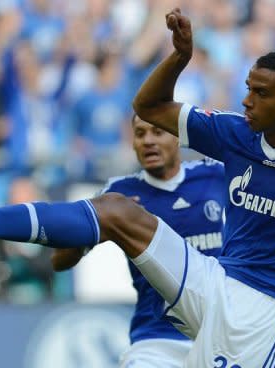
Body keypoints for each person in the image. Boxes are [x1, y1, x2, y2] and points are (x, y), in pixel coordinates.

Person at [0, 8, 275, 367]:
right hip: (217, 280)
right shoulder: (236, 133)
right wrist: (179, 58)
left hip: (267, 313)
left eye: (260, 93)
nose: (247, 100)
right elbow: (149, 105)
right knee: (118, 209)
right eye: (248, 87)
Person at [51, 113, 225, 368]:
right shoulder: (119, 195)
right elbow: (59, 261)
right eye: (140, 134)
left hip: (220, 341)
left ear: (178, 137)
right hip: (156, 343)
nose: (148, 141)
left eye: (157, 131)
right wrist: (100, 227)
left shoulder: (216, 176)